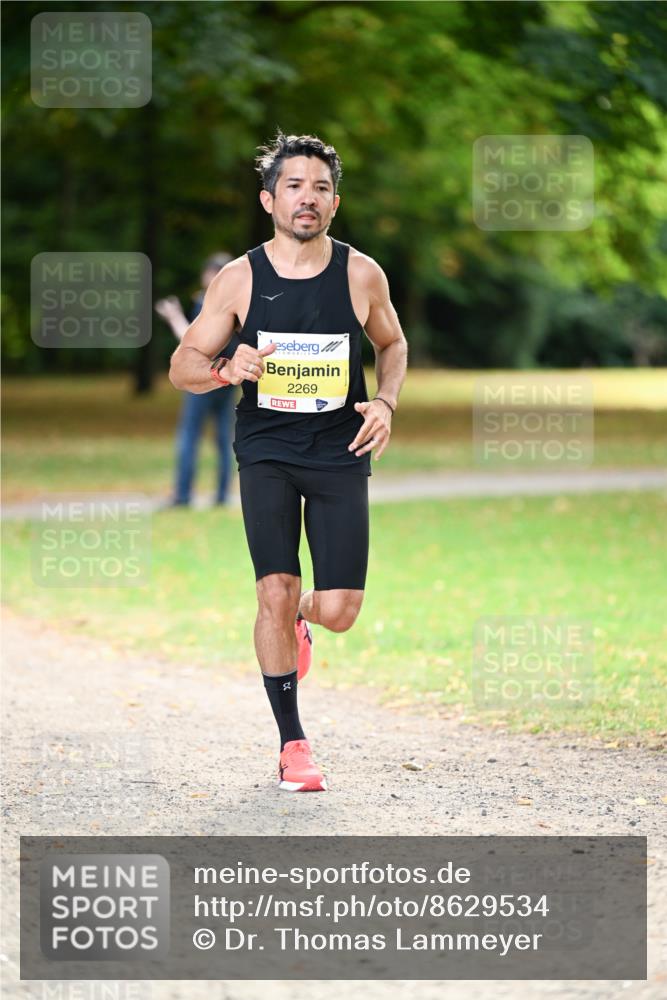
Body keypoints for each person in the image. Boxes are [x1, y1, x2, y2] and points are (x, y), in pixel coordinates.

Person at [169, 132, 408, 791]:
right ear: (269, 198)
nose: (309, 197)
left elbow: (391, 343)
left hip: (338, 449)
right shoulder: (239, 277)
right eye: (295, 186)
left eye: (321, 188)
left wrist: (385, 402)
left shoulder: (361, 273)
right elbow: (181, 367)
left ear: (334, 204)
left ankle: (300, 615)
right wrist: (224, 367)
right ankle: (293, 743)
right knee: (269, 589)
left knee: (339, 609)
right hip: (267, 448)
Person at [155, 253, 237, 506]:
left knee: (190, 435)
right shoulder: (236, 304)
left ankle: (182, 494)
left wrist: (173, 316)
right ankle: (223, 495)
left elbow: (190, 342)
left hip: (202, 377)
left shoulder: (208, 303)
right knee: (224, 438)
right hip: (227, 377)